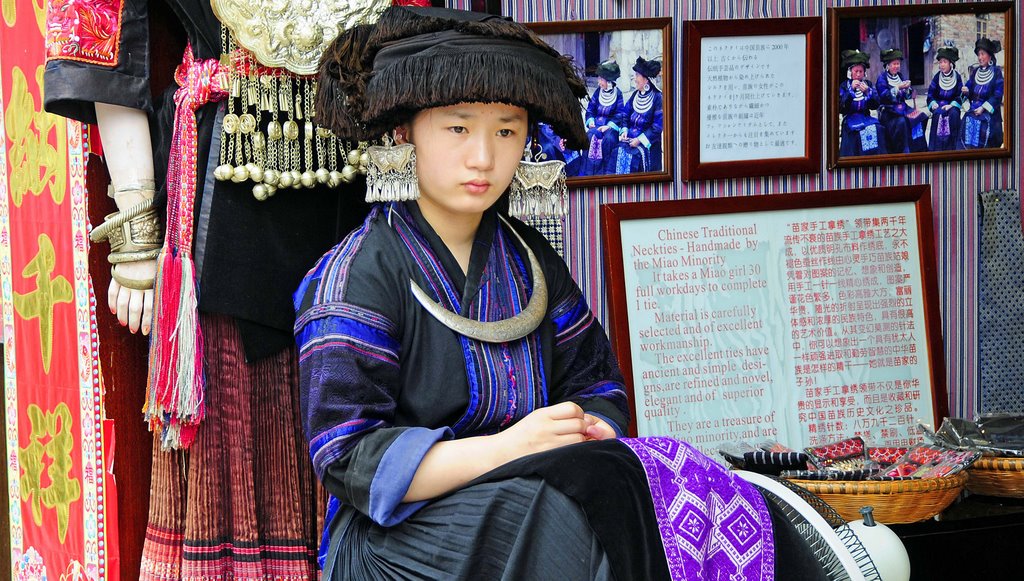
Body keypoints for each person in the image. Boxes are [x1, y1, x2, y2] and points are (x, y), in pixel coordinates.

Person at [298, 6, 826, 580]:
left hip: (532, 488)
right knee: (557, 518)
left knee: (667, 471)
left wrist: (590, 424)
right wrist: (510, 448)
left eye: (507, 130)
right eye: (458, 127)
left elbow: (596, 382)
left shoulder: (529, 260)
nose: (484, 156)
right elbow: (349, 457)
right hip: (400, 537)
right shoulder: (357, 274)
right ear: (406, 132)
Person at [43, 1, 370, 577]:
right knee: (236, 419)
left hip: (363, 179)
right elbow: (102, 37)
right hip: (228, 179)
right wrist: (137, 235)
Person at [611, 56, 664, 174]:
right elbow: (625, 113)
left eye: (637, 76)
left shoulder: (658, 98)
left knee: (634, 158)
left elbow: (657, 127)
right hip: (630, 139)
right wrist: (624, 130)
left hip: (647, 143)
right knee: (617, 151)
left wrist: (639, 140)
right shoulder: (635, 94)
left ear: (646, 80)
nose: (635, 79)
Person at [876, 49, 927, 153]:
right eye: (894, 64)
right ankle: (903, 149)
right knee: (902, 122)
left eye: (898, 64)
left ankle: (917, 148)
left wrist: (909, 90)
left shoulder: (900, 76)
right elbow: (883, 96)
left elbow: (905, 95)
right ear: (888, 65)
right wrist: (897, 88)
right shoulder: (882, 78)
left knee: (922, 116)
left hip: (903, 108)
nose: (896, 66)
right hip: (889, 111)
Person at [581, 60, 626, 176]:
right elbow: (590, 109)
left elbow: (620, 114)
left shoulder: (618, 94)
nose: (599, 81)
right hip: (596, 125)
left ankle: (606, 172)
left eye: (601, 79)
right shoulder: (597, 92)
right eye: (599, 78)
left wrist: (608, 126)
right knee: (589, 136)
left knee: (609, 140)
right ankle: (589, 173)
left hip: (610, 128)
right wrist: (590, 121)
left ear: (609, 81)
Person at [838, 49, 887, 157]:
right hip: (850, 118)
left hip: (865, 117)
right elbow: (841, 108)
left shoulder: (868, 84)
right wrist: (850, 91)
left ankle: (876, 159)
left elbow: (875, 105)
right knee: (856, 133)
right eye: (856, 71)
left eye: (861, 71)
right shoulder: (844, 86)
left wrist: (867, 92)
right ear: (850, 72)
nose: (858, 74)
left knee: (878, 129)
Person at [960, 37, 1004, 149]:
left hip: (989, 112)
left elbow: (997, 95)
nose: (980, 57)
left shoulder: (996, 72)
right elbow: (968, 87)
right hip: (974, 108)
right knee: (966, 120)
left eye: (982, 54)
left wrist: (983, 108)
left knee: (984, 127)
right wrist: (966, 91)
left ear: (989, 56)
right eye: (978, 55)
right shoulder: (975, 72)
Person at [926, 46, 964, 152]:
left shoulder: (957, 77)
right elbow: (930, 94)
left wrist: (952, 105)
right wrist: (933, 103)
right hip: (939, 104)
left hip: (952, 105)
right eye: (940, 62)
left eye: (944, 62)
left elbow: (960, 95)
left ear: (950, 63)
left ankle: (953, 148)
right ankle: (936, 149)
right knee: (938, 114)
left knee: (954, 115)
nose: (942, 65)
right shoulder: (937, 77)